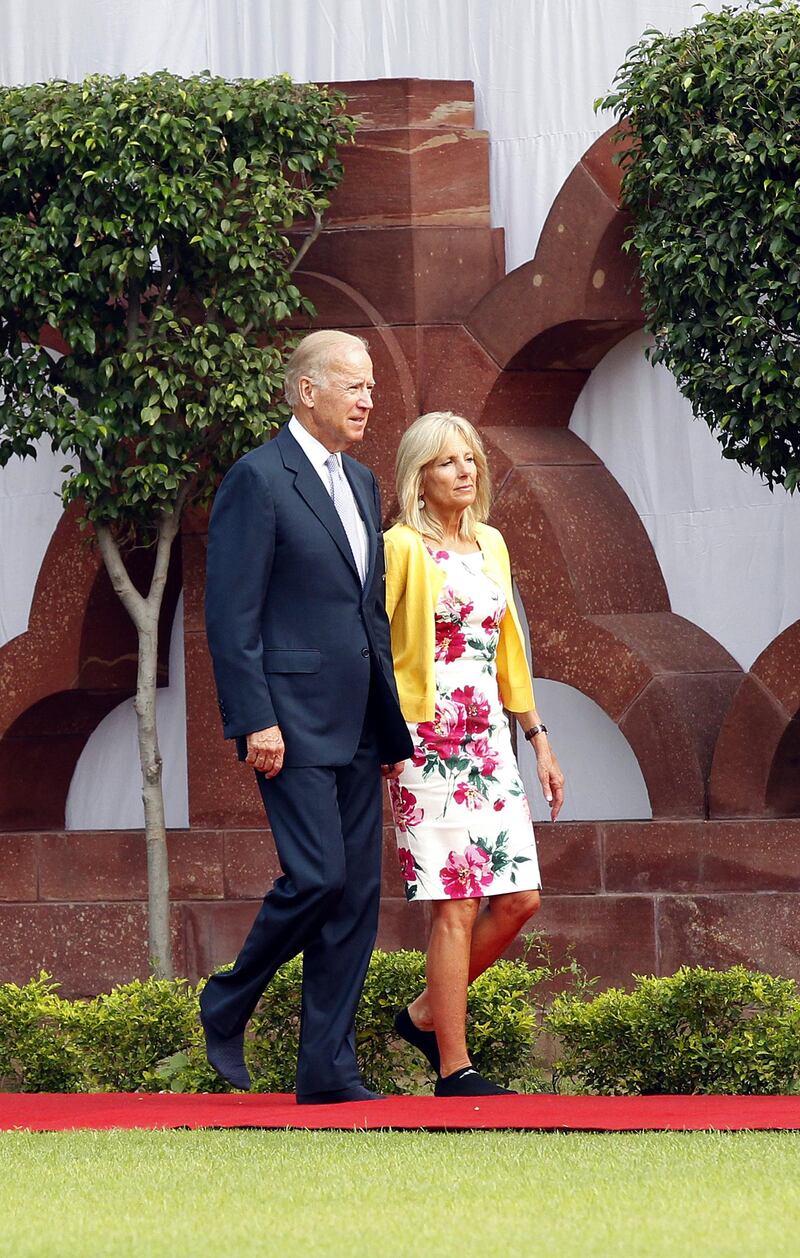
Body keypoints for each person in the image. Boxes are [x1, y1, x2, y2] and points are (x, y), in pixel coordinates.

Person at [200, 329, 413, 1104]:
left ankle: (327, 1070)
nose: (366, 399)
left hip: (359, 723)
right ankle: (227, 1001)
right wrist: (254, 718)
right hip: (286, 722)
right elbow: (231, 615)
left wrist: (390, 731)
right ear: (306, 391)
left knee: (355, 896)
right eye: (352, 385)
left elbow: (369, 616)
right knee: (318, 876)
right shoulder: (258, 479)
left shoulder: (360, 484)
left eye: (370, 387)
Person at [384, 411, 565, 1097]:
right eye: (446, 463)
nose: (464, 472)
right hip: (424, 744)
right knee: (454, 906)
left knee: (520, 899)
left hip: (490, 741)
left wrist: (539, 738)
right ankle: (455, 1070)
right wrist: (383, 734)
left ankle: (428, 1012)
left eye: (470, 460)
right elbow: (375, 647)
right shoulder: (401, 547)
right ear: (419, 478)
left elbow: (508, 649)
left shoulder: (490, 543)